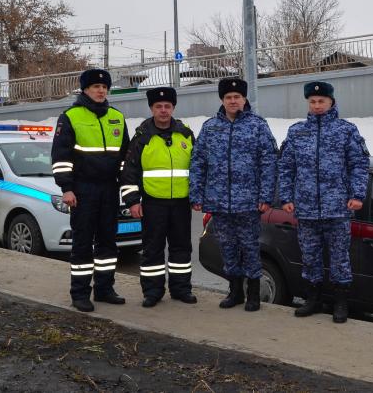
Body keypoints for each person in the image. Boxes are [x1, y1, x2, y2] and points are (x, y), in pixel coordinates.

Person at [278, 81, 369, 323]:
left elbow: (358, 165)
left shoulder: (346, 130)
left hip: (338, 208)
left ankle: (340, 303)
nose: (317, 105)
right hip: (306, 209)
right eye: (313, 102)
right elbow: (286, 167)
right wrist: (286, 197)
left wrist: (357, 195)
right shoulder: (297, 132)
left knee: (340, 257)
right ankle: (313, 299)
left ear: (331, 102)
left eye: (321, 101)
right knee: (310, 256)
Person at [190, 77, 278, 312]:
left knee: (250, 247)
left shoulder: (258, 126)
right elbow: (198, 162)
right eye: (228, 97)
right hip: (219, 201)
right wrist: (196, 194)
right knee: (227, 248)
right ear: (222, 100)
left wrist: (265, 197)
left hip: (248, 202)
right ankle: (235, 291)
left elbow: (269, 162)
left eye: (236, 97)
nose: (232, 101)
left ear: (244, 99)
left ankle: (253, 294)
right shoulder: (210, 127)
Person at [51, 68, 130, 312]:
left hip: (109, 189)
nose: (101, 91)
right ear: (85, 89)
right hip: (83, 190)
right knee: (83, 243)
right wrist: (67, 188)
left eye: (104, 87)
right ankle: (80, 293)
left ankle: (105, 289)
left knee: (108, 242)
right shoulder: (71, 116)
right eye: (96, 87)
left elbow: (126, 157)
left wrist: (125, 185)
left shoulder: (116, 117)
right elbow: (61, 156)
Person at [120, 87, 197, 308]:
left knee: (181, 247)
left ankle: (181, 289)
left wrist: (197, 194)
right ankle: (152, 292)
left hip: (181, 202)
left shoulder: (185, 134)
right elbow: (129, 172)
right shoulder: (142, 136)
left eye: (167, 106)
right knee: (152, 249)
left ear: (173, 108)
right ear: (152, 108)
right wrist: (133, 201)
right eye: (158, 107)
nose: (163, 110)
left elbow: (198, 166)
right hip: (152, 203)